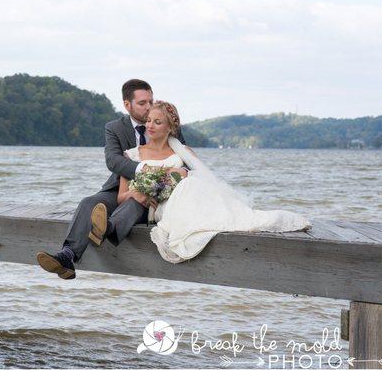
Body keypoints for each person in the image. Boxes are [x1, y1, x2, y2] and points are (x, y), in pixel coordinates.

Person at [124, 101, 312, 263]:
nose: (150, 125)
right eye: (148, 120)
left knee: (192, 183)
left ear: (170, 128)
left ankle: (232, 217)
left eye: (157, 122)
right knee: (188, 186)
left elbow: (203, 176)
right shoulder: (133, 155)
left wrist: (180, 175)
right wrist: (142, 191)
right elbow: (121, 195)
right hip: (162, 205)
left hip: (187, 198)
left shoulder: (183, 152)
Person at [35, 79, 186, 279]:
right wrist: (143, 171)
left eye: (151, 101)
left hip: (155, 196)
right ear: (127, 105)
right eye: (142, 103)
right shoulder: (114, 128)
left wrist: (154, 187)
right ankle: (67, 256)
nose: (149, 108)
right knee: (89, 202)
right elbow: (114, 161)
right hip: (119, 188)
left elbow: (183, 164)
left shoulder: (167, 124)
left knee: (135, 203)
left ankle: (107, 228)